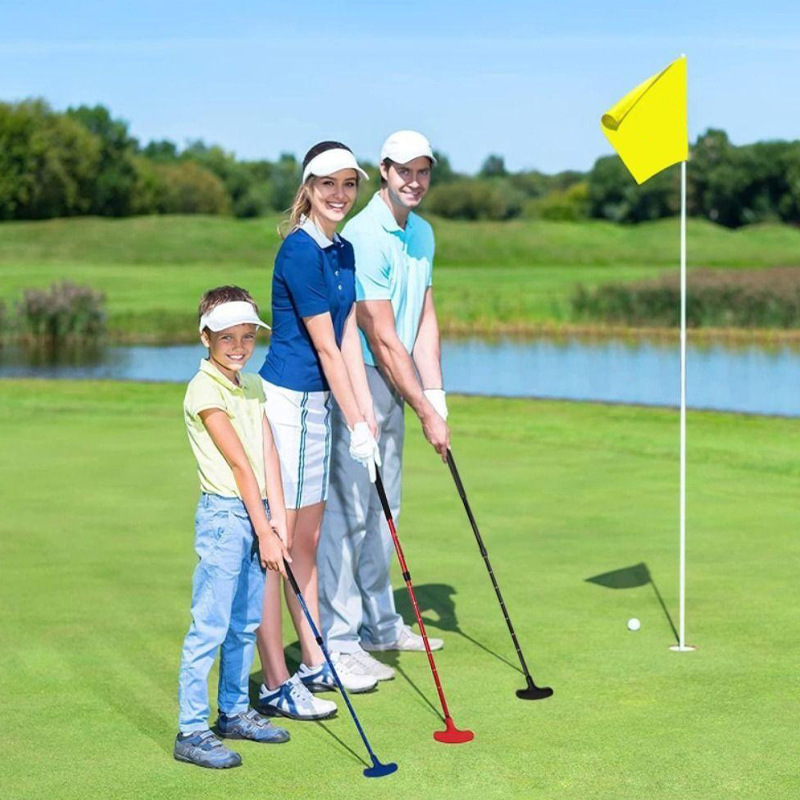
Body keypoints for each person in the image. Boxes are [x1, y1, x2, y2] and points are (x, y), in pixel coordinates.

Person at [256, 141, 383, 720]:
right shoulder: (301, 252)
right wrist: (353, 418)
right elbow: (324, 348)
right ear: (307, 187)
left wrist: (365, 413)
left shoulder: (345, 251)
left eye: (349, 185)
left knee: (304, 543)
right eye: (327, 184)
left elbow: (350, 339)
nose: (339, 195)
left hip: (320, 408)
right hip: (290, 404)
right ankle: (276, 680)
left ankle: (313, 658)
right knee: (280, 548)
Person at [318, 130, 448, 683]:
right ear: (385, 170)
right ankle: (338, 640)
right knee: (350, 512)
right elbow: (382, 333)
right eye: (403, 171)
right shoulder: (364, 236)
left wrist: (435, 393)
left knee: (384, 509)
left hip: (400, 380)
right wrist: (425, 410)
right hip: (363, 375)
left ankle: (380, 623)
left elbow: (423, 319)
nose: (413, 181)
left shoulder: (422, 234)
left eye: (423, 171)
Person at [175, 286, 291, 770]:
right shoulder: (204, 389)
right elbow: (241, 465)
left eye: (247, 336)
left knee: (245, 621)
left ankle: (234, 712)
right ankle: (191, 729)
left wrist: (278, 521)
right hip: (226, 517)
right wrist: (264, 529)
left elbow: (267, 453)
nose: (240, 346)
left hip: (258, 510)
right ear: (206, 336)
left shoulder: (252, 385)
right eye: (228, 337)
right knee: (211, 624)